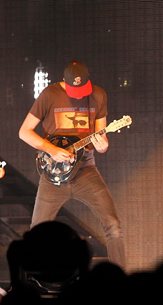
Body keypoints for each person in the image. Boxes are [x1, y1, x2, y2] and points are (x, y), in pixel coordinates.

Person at [18, 60, 126, 268]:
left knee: (113, 225)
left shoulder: (98, 95)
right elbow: (24, 132)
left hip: (85, 170)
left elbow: (101, 141)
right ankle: (28, 282)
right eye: (74, 89)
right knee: (37, 231)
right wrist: (52, 150)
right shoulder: (49, 95)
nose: (78, 94)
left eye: (82, 89)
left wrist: (103, 145)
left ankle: (118, 279)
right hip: (53, 175)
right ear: (65, 83)